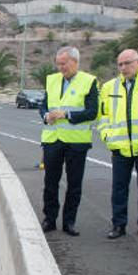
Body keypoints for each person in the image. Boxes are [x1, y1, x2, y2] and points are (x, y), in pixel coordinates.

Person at [98, 49, 138, 239]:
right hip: (120, 147)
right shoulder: (109, 87)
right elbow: (103, 116)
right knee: (119, 188)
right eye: (120, 64)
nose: (123, 68)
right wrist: (107, 135)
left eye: (127, 63)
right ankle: (118, 225)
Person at [39, 46, 99, 236]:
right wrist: (46, 115)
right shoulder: (52, 80)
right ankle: (49, 219)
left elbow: (92, 112)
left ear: (75, 62)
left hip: (76, 142)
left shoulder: (88, 81)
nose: (60, 67)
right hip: (53, 139)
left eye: (63, 63)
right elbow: (43, 106)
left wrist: (66, 114)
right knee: (50, 182)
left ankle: (69, 222)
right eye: (58, 64)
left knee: (74, 184)